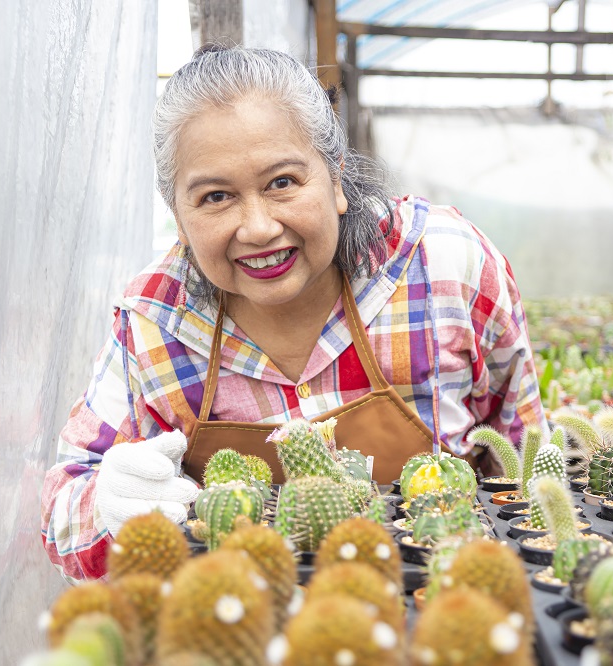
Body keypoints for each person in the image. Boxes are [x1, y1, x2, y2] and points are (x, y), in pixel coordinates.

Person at [41, 45, 547, 582]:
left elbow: (524, 458)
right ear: (179, 218)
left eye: (282, 182)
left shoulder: (446, 267)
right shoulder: (156, 322)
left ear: (336, 177)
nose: (257, 228)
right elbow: (61, 514)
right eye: (215, 197)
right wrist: (107, 504)